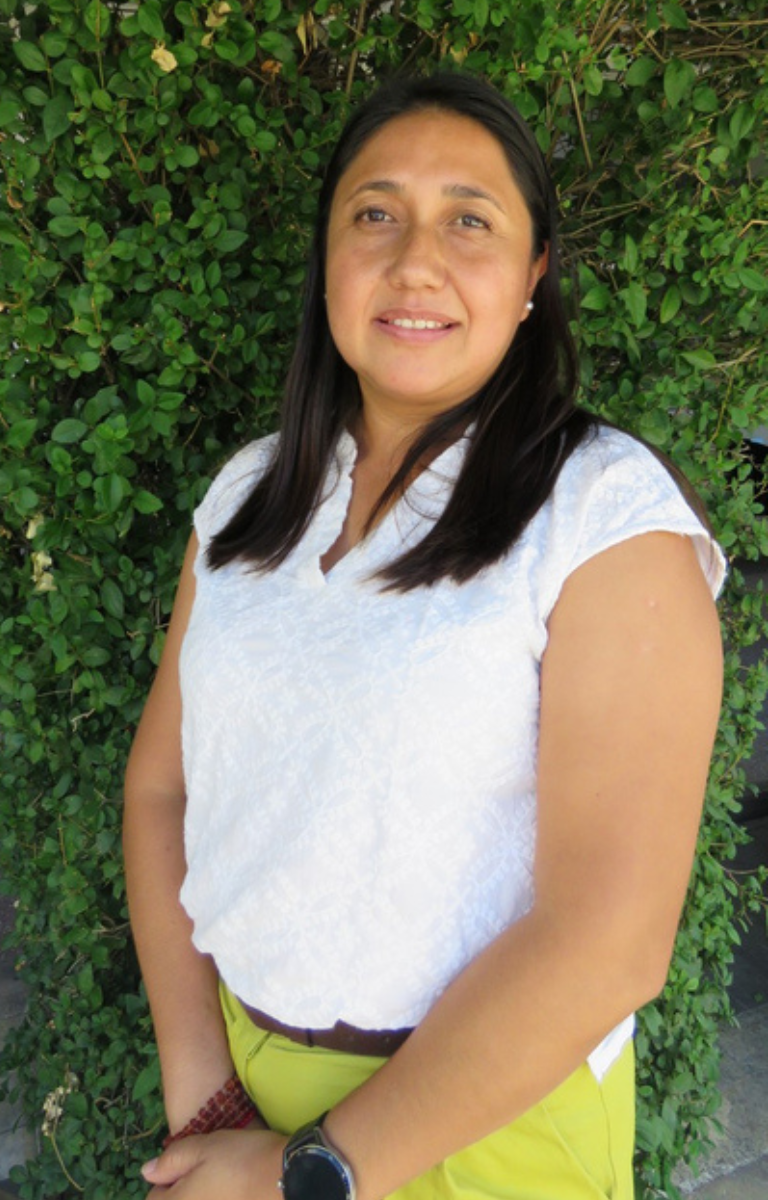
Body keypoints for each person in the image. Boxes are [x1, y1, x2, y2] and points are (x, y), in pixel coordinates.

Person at [123, 72, 725, 1200]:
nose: (414, 261)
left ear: (534, 275)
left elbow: (609, 937)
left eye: (470, 220)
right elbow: (162, 790)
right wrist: (205, 1096)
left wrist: (307, 1174)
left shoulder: (603, 517)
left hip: (487, 1120)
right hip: (243, 1090)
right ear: (328, 261)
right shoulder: (250, 494)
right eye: (375, 213)